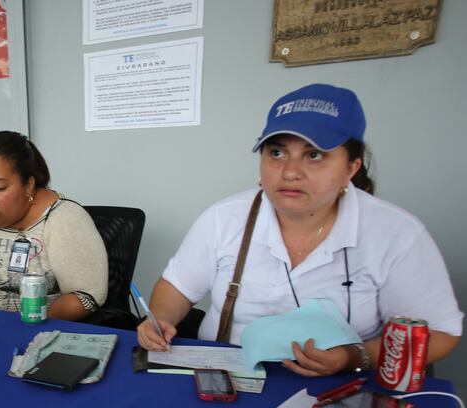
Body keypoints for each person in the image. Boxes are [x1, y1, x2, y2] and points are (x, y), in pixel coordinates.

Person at [137, 83, 462, 376]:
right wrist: (161, 320)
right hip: (230, 375)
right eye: (277, 153)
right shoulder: (225, 218)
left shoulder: (395, 233)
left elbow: (439, 333)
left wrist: (354, 357)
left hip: (343, 384)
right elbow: (177, 288)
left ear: (352, 167)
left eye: (314, 155)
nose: (291, 172)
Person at [0, 131, 108, 321]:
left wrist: (27, 326)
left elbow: (85, 296)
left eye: (0, 187)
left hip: (42, 332)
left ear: (28, 185)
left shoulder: (64, 219)